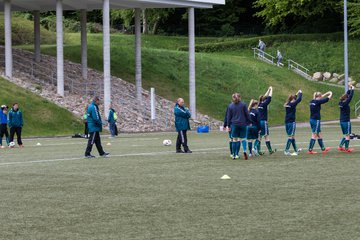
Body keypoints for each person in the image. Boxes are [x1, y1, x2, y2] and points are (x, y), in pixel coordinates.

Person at [226, 93, 251, 160]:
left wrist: (228, 125)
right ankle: (237, 154)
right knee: (240, 139)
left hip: (234, 125)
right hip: (243, 124)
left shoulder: (230, 106)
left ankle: (233, 155)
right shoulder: (243, 105)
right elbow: (247, 114)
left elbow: (228, 117)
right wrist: (249, 122)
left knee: (234, 139)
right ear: (240, 98)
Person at [284, 90, 303, 156]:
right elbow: (299, 99)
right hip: (291, 122)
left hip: (286, 122)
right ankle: (286, 150)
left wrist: (297, 93)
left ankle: (295, 150)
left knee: (292, 137)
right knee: (290, 137)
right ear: (293, 99)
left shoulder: (288, 104)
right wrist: (300, 92)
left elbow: (294, 97)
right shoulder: (293, 104)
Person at [258, 86, 276, 154]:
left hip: (259, 122)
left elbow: (265, 96)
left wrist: (268, 90)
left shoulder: (260, 103)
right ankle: (270, 150)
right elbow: (269, 97)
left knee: (260, 137)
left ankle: (258, 150)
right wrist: (271, 89)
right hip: (263, 122)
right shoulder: (264, 104)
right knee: (266, 136)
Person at [338, 84, 355, 153]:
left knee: (346, 135)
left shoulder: (340, 102)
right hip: (346, 121)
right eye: (347, 98)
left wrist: (350, 88)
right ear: (345, 98)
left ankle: (341, 146)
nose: (348, 98)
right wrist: (353, 89)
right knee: (348, 135)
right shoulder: (345, 103)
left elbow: (347, 94)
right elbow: (350, 96)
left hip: (342, 121)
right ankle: (346, 148)